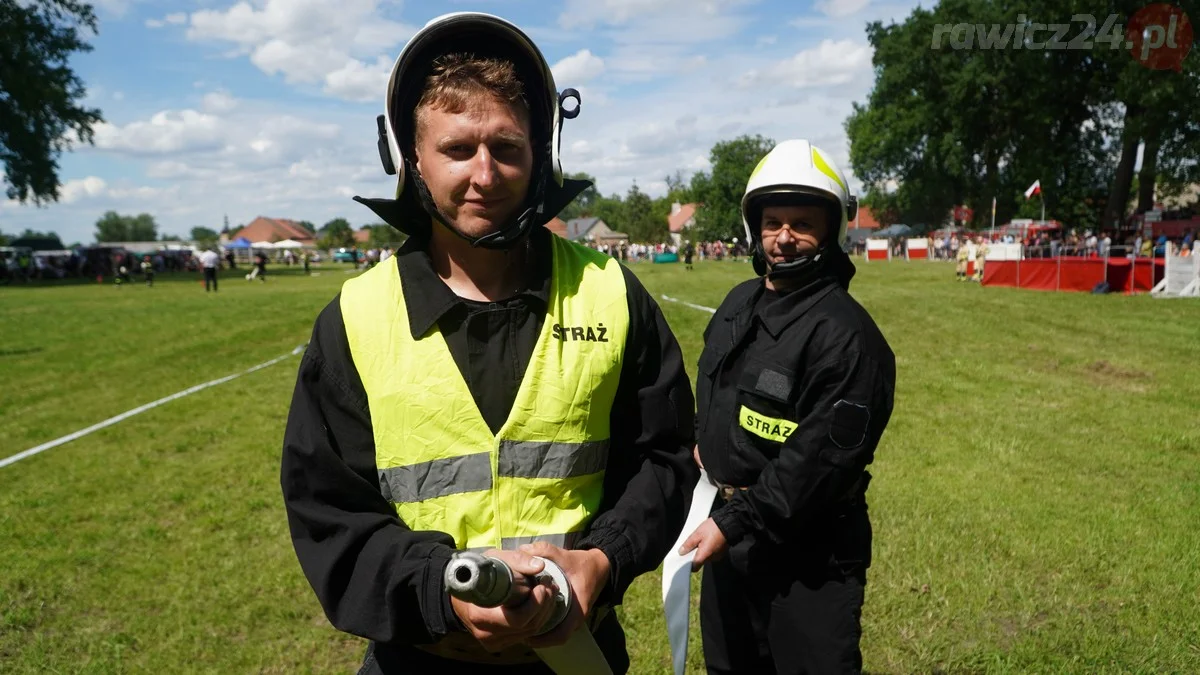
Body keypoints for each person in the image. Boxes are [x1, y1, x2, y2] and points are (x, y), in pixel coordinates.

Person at [279, 12, 698, 675]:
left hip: (574, 652)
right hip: (417, 657)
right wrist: (436, 588)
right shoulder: (354, 320)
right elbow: (329, 511)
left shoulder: (612, 294)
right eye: (456, 149)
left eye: (506, 148)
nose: (485, 174)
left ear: (542, 152)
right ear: (409, 157)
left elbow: (666, 457)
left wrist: (603, 558)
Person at [678, 139, 895, 674]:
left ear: (831, 230)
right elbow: (714, 394)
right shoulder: (737, 304)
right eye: (773, 221)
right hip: (730, 544)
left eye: (802, 222)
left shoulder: (848, 338)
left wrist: (738, 519)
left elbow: (820, 461)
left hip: (809, 558)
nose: (784, 237)